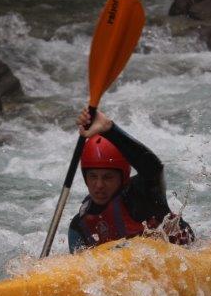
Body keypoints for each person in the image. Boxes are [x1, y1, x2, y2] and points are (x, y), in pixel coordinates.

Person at [67, 108, 194, 252]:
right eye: (93, 176)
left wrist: (109, 129)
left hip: (183, 260)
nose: (99, 185)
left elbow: (153, 168)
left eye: (108, 177)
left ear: (123, 177)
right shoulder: (80, 226)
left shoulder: (140, 196)